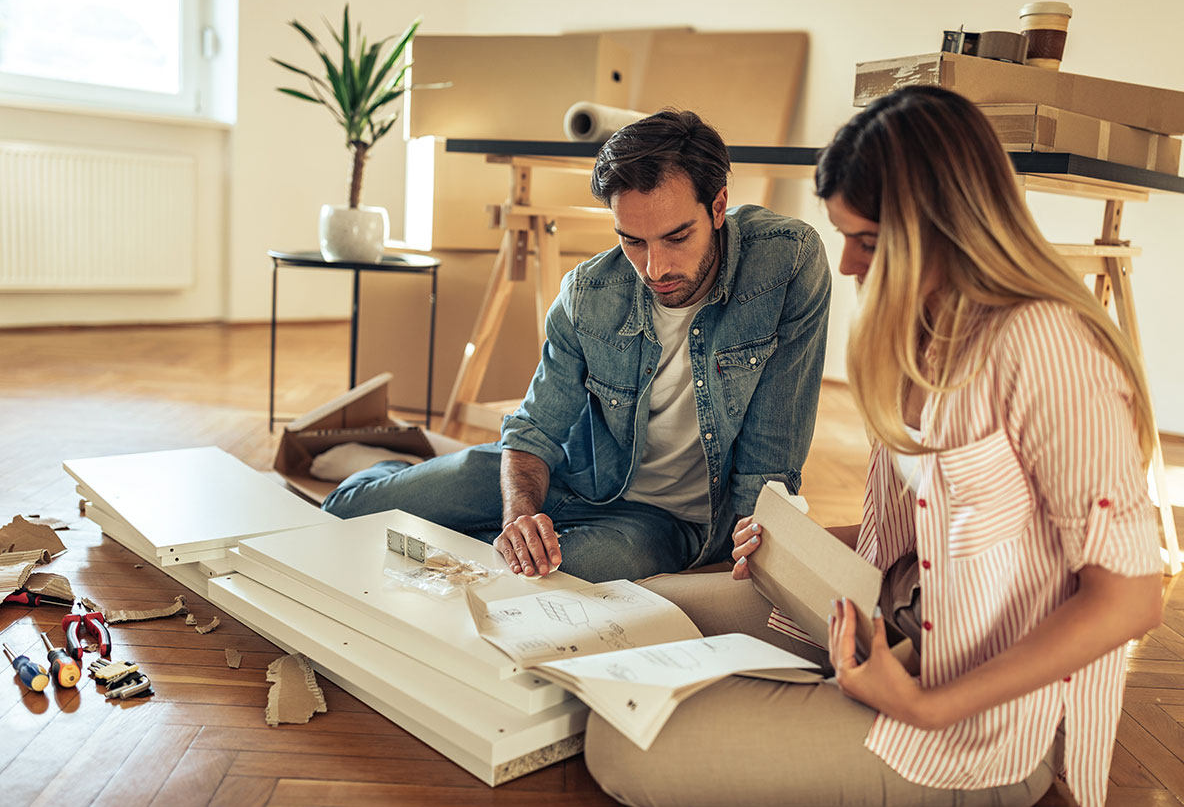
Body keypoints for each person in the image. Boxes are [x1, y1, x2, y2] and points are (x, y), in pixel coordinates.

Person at [584, 86, 1164, 807]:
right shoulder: (919, 327)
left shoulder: (1046, 346)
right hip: (883, 618)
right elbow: (940, 529)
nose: (851, 265)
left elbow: (1132, 598)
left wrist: (924, 706)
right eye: (844, 236)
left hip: (976, 718)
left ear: (947, 225)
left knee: (621, 744)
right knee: (623, 612)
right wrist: (790, 547)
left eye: (868, 240)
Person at [321, 110, 832, 583]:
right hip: (565, 476)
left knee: (528, 577)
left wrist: (750, 552)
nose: (655, 269)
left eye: (676, 237)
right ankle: (395, 465)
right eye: (633, 240)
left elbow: (771, 459)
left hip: (665, 523)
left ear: (718, 205)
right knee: (345, 515)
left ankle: (462, 516)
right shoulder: (590, 293)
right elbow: (536, 429)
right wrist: (520, 516)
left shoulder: (785, 264)